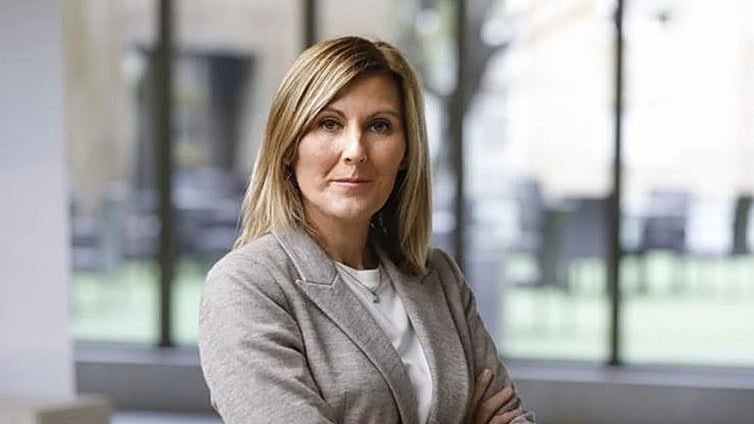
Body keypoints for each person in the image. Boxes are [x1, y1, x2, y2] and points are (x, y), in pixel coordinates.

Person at [198, 35, 535, 424]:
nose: (355, 151)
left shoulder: (439, 278)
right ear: (289, 146)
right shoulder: (246, 286)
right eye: (329, 123)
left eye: (379, 126)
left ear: (406, 152)